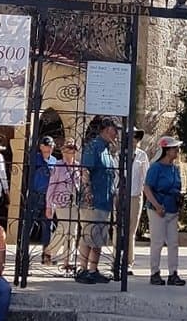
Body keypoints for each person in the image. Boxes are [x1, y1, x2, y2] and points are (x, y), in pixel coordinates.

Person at [77, 116, 119, 283]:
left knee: (99, 238)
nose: (116, 135)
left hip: (105, 200)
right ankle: (82, 269)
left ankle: (93, 269)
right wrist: (87, 191)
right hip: (93, 200)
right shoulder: (93, 147)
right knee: (89, 235)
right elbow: (85, 170)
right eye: (115, 131)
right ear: (106, 129)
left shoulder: (108, 150)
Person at [143, 135, 186, 286]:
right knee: (157, 241)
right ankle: (154, 272)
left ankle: (173, 273)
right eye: (175, 148)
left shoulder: (175, 169)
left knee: (173, 243)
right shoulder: (155, 168)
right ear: (167, 151)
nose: (177, 151)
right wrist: (156, 205)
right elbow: (147, 188)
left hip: (172, 209)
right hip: (158, 209)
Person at [45, 137, 82, 272]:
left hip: (74, 201)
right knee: (63, 227)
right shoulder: (58, 166)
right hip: (61, 201)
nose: (71, 152)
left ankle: (68, 260)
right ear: (63, 151)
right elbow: (51, 186)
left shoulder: (77, 166)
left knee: (73, 231)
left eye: (73, 149)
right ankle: (50, 251)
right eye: (68, 149)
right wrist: (49, 205)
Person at [25, 135, 56, 266]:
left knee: (47, 226)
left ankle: (46, 255)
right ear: (41, 146)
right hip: (35, 195)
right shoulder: (35, 158)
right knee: (29, 225)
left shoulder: (54, 161)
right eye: (47, 145)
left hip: (48, 196)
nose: (50, 148)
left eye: (51, 146)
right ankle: (24, 255)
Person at [128, 127, 149, 271]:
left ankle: (129, 261)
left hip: (135, 195)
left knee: (131, 230)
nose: (134, 139)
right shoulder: (119, 154)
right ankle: (116, 260)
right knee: (118, 229)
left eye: (136, 137)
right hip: (121, 194)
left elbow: (146, 177)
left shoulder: (142, 156)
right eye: (131, 136)